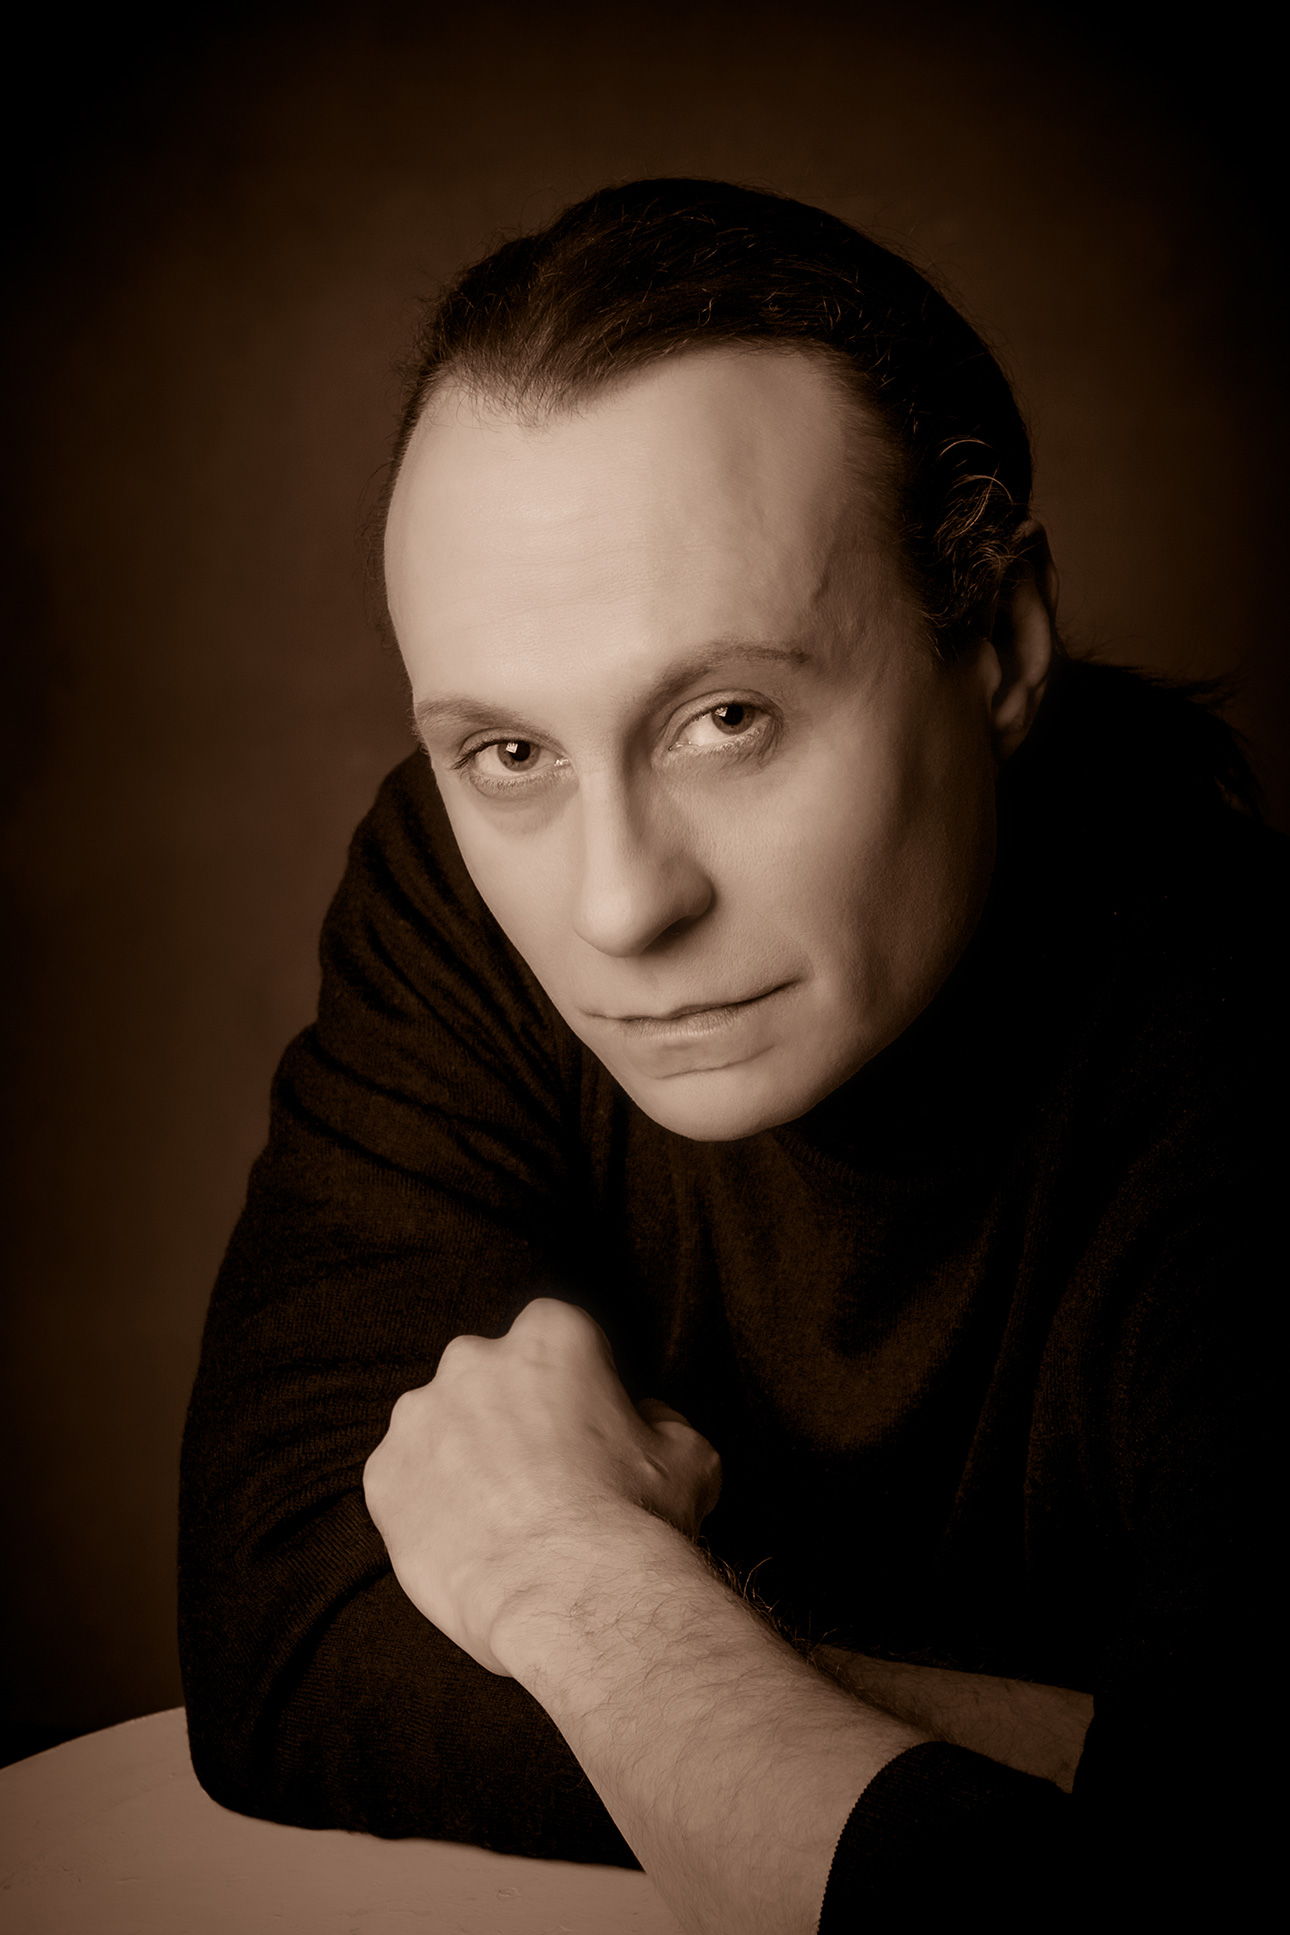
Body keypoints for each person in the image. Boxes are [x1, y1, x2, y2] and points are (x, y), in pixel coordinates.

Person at [178, 179, 1281, 1931]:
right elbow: (287, 1641)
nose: (617, 907)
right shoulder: (461, 900)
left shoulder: (1247, 1054)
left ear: (998, 647)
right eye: (508, 755)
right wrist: (1085, 1764)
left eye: (725, 719)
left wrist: (575, 1585)